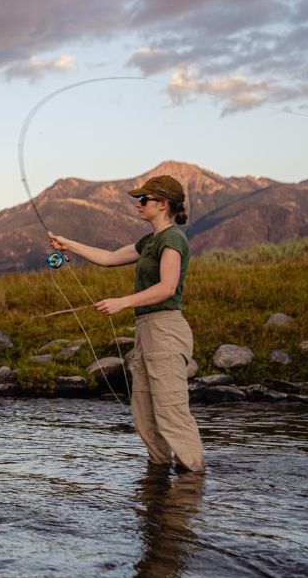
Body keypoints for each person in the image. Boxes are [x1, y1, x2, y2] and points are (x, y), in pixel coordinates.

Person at [47, 174, 205, 474]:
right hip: (147, 330)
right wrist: (69, 245)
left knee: (171, 411)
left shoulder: (172, 238)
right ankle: (160, 475)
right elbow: (108, 258)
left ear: (162, 204)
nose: (138, 205)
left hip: (166, 330)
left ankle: (193, 480)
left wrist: (122, 302)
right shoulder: (150, 241)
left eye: (143, 200)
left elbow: (168, 287)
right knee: (144, 412)